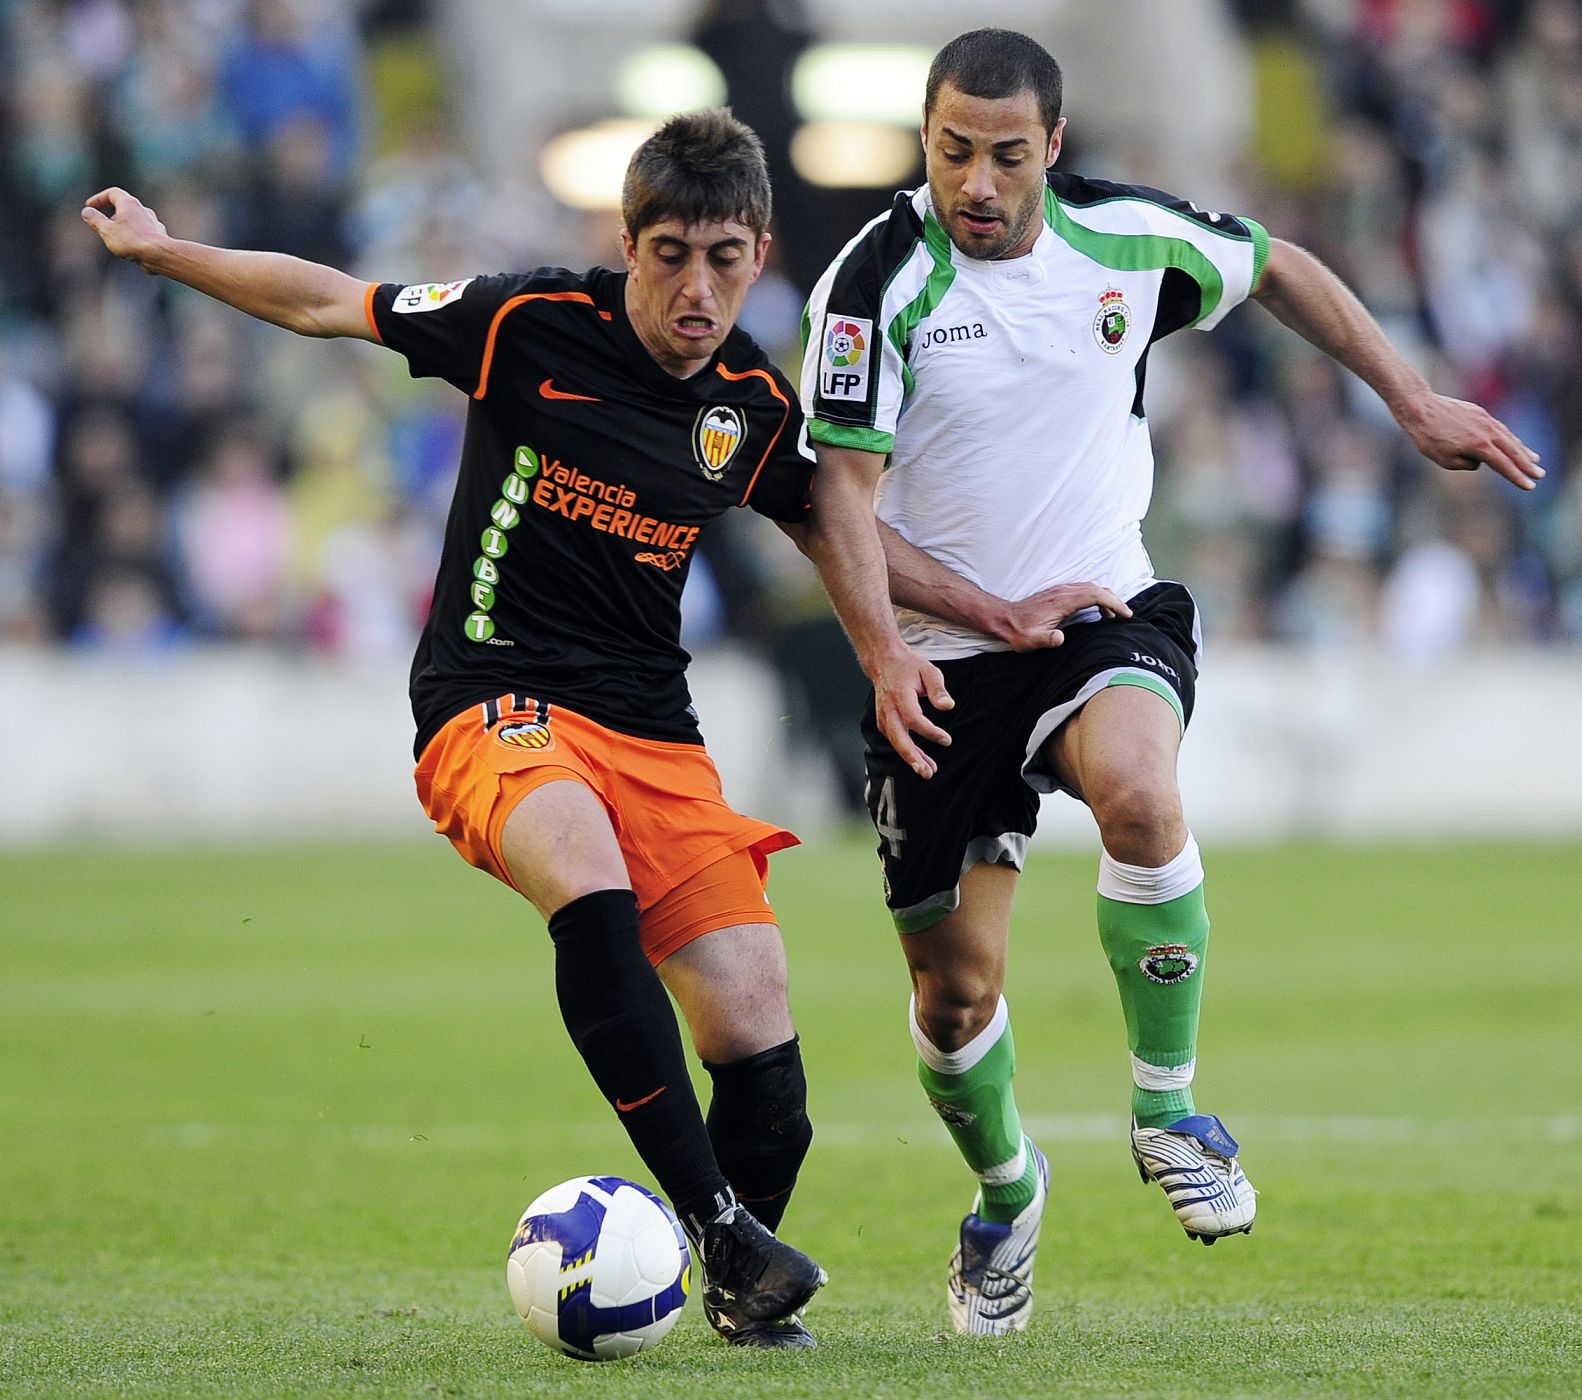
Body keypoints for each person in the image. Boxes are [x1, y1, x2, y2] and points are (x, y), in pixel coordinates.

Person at [83, 108, 932, 1350]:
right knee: (585, 879)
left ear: (759, 250)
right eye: (670, 254)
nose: (698, 289)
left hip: (653, 725)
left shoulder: (751, 395)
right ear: (626, 240)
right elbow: (333, 301)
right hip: (496, 698)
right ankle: (718, 1227)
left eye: (726, 259)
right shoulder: (529, 323)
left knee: (761, 1042)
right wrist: (168, 253)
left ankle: (740, 1291)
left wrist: (996, 611)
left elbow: (840, 529)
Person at [799, 28, 1544, 1336]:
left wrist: (1407, 397)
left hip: (1097, 613)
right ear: (922, 140)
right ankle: (1005, 1193)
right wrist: (897, 645)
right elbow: (839, 507)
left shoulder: (1123, 242)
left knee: (1140, 796)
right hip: (940, 660)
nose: (975, 181)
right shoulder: (870, 286)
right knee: (953, 990)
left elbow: (1277, 269)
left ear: (1055, 151)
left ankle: (1165, 1116)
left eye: (1006, 156)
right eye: (950, 151)